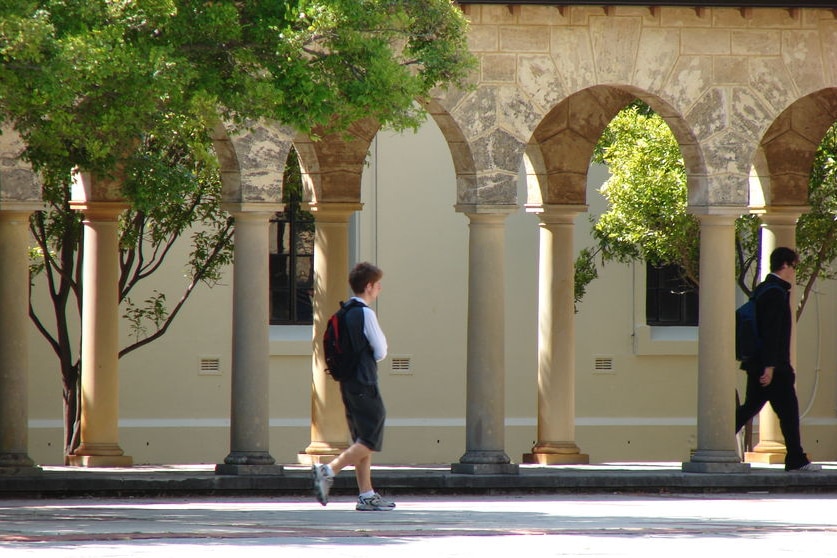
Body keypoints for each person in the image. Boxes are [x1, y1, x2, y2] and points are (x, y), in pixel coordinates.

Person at [312, 262, 396, 510]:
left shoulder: (344, 312)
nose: (380, 288)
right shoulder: (365, 313)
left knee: (361, 438)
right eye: (378, 284)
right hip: (365, 382)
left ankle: (366, 495)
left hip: (348, 383)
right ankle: (328, 470)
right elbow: (380, 351)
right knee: (369, 439)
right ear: (369, 286)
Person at [735, 247, 821, 472]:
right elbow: (772, 332)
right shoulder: (774, 293)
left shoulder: (765, 289)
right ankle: (796, 459)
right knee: (789, 413)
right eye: (794, 266)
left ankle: (717, 442)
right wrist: (771, 367)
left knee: (750, 408)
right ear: (785, 264)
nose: (795, 271)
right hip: (773, 367)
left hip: (760, 364)